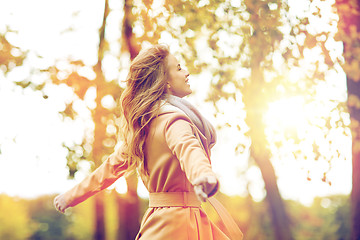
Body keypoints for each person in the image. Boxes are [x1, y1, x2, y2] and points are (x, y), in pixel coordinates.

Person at [54, 44, 243, 240]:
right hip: (180, 224)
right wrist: (203, 175)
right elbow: (189, 149)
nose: (186, 73)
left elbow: (108, 170)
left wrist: (70, 196)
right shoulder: (173, 120)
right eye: (179, 68)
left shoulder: (143, 126)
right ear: (165, 82)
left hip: (162, 222)